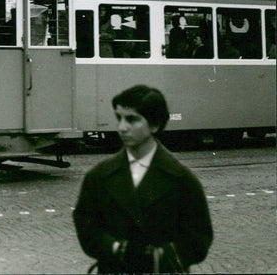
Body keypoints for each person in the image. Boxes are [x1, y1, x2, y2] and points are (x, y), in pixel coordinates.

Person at [73, 85, 213, 273]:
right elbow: (86, 225)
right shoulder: (98, 176)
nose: (122, 127)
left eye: (132, 119)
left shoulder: (182, 180)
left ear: (154, 125)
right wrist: (115, 248)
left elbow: (199, 237)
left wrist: (162, 256)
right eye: (119, 118)